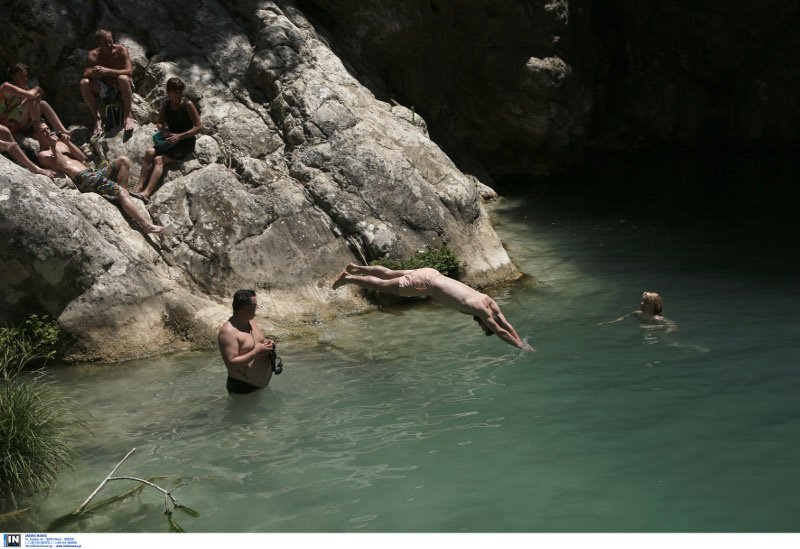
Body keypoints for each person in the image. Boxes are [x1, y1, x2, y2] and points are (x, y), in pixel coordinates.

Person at [332, 263, 534, 351]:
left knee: (389, 273)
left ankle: (355, 268)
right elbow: (499, 330)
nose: (484, 326)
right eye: (484, 327)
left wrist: (522, 342)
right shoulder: (480, 310)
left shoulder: (487, 299)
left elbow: (505, 322)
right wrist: (519, 347)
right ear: (482, 322)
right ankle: (349, 278)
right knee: (384, 285)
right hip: (425, 285)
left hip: (431, 273)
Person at [31, 120, 166, 234]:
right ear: (36, 136)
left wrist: (68, 143)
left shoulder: (59, 144)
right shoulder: (42, 155)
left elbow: (82, 157)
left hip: (92, 173)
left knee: (123, 161)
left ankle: (121, 196)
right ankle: (145, 225)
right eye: (43, 131)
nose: (48, 132)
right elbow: (62, 165)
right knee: (119, 190)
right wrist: (54, 147)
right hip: (83, 178)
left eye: (48, 129)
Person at [132, 77, 202, 203]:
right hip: (170, 139)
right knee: (149, 152)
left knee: (159, 160)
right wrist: (163, 130)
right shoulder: (166, 104)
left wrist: (179, 136)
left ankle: (146, 193)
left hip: (185, 142)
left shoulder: (187, 105)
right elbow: (159, 122)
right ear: (169, 92)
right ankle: (139, 186)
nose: (179, 95)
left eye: (181, 92)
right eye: (176, 92)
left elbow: (198, 127)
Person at [218, 289, 278, 395]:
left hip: (261, 386)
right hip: (244, 389)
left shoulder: (251, 322)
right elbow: (231, 364)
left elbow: (260, 341)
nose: (257, 308)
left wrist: (269, 343)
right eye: (254, 305)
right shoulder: (228, 332)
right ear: (245, 308)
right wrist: (256, 352)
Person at [80, 29, 135, 135]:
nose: (110, 44)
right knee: (84, 83)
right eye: (106, 42)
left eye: (111, 41)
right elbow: (85, 73)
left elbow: (129, 71)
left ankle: (128, 116)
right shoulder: (93, 55)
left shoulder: (121, 50)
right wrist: (94, 72)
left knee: (123, 78)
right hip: (106, 89)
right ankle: (97, 118)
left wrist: (108, 71)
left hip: (122, 87)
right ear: (98, 43)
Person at [6, 63, 69, 135]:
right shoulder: (8, 87)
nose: (25, 79)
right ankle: (38, 129)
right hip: (11, 122)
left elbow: (41, 94)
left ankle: (62, 130)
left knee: (43, 103)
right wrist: (36, 89)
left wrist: (37, 95)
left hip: (21, 119)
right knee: (32, 99)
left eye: (25, 76)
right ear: (13, 77)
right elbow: (28, 97)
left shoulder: (23, 87)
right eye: (21, 76)